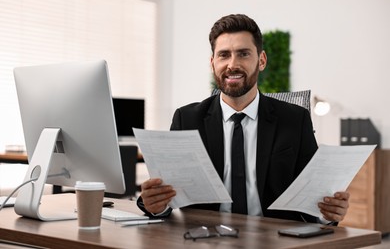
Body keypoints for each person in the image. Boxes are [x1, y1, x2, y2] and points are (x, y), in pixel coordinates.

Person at [137, 14, 349, 223]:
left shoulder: (295, 119)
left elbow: (313, 200)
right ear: (212, 63)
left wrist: (327, 213)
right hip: (206, 237)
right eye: (224, 55)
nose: (232, 64)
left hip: (275, 239)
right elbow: (169, 195)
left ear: (262, 60)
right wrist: (156, 205)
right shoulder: (187, 119)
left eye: (243, 54)